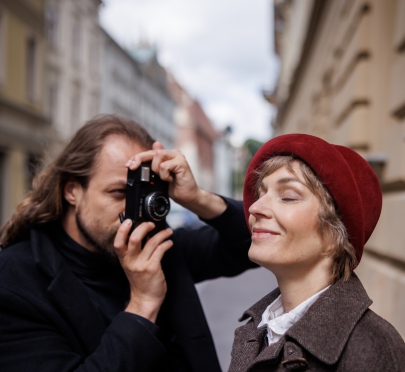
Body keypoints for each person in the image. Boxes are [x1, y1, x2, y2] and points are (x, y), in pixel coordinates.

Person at [0, 115, 256, 372]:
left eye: (142, 194)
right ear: (72, 191)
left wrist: (197, 198)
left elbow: (252, 244)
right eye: (120, 193)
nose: (133, 210)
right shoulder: (15, 280)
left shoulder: (158, 248)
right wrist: (143, 303)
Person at [229, 134, 405, 372]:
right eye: (261, 194)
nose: (255, 208)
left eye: (287, 197)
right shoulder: (259, 327)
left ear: (335, 234)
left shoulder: (373, 349)